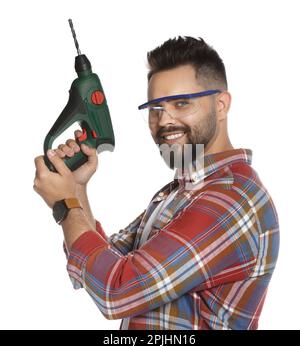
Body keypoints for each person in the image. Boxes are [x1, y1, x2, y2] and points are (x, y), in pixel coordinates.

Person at [33, 36, 279, 330]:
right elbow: (101, 265)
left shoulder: (231, 199)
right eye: (155, 108)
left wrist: (67, 205)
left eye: (182, 103)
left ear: (221, 105)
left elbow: (116, 292)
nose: (164, 121)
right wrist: (76, 189)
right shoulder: (177, 193)